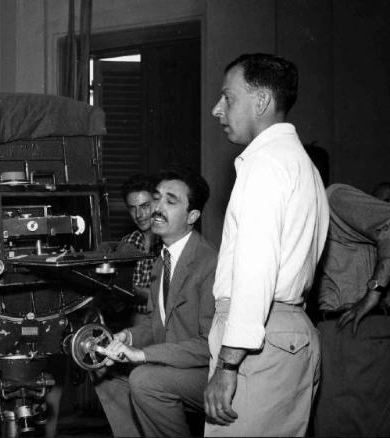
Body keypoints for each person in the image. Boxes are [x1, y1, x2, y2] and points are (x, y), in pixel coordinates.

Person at [204, 53, 329, 436]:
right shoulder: (301, 164)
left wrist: (228, 365)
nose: (217, 109)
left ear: (260, 102)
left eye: (228, 97)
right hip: (287, 332)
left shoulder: (264, 164)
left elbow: (256, 270)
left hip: (256, 340)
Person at [94, 168, 217, 437]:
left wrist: (143, 354)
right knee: (104, 371)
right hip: (175, 364)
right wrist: (127, 336)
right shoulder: (163, 259)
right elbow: (154, 323)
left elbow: (209, 346)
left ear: (192, 216)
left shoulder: (210, 263)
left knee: (145, 379)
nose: (156, 209)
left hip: (208, 372)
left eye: (170, 202)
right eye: (157, 198)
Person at [313, 183, 390, 436]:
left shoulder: (334, 197)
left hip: (354, 327)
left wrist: (374, 290)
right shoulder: (312, 212)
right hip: (337, 331)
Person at [118, 174, 162, 314]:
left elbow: (175, 299)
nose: (138, 215)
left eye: (145, 206)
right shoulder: (127, 242)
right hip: (131, 327)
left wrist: (138, 292)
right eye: (132, 208)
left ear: (157, 204)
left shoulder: (170, 243)